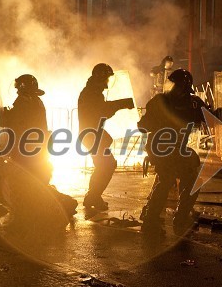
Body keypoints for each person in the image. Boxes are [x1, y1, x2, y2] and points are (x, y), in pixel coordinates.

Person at [0, 74, 77, 226]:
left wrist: (4, 114)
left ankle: (60, 204)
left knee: (27, 184)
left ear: (23, 88)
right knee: (35, 184)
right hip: (35, 149)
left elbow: (14, 120)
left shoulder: (24, 102)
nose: (17, 92)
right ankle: (62, 203)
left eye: (18, 89)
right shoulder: (35, 100)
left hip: (27, 150)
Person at [138, 69, 206, 236]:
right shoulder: (160, 101)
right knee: (167, 179)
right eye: (173, 85)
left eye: (177, 85)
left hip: (179, 148)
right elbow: (142, 126)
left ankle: (181, 216)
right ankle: (150, 219)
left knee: (192, 178)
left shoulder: (194, 103)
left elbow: (209, 117)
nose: (173, 88)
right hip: (160, 146)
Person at [78, 63, 134, 212]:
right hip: (91, 135)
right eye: (106, 78)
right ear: (100, 77)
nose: (108, 82)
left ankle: (93, 196)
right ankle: (93, 196)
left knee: (103, 166)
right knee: (107, 165)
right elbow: (102, 111)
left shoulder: (91, 91)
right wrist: (122, 103)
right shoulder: (91, 93)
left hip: (91, 134)